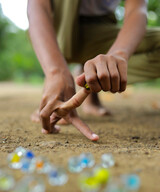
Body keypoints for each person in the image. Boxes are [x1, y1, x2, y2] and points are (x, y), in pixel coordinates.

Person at [27, 0, 160, 140]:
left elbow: (137, 9)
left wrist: (118, 54)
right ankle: (57, 83)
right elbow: (37, 5)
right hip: (54, 26)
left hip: (101, 27)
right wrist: (55, 71)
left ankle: (89, 77)